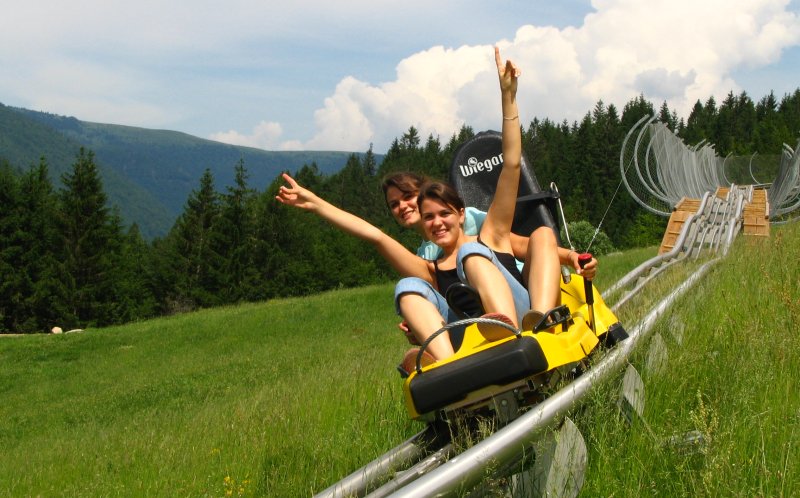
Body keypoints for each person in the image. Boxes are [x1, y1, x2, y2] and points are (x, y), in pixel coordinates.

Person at [276, 47, 534, 364]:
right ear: (421, 225)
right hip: (470, 335)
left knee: (470, 254)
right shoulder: (430, 268)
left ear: (461, 214)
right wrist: (317, 204)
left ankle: (504, 331)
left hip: (519, 321)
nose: (437, 222)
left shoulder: (491, 235)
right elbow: (375, 236)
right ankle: (448, 364)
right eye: (428, 218)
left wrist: (508, 97)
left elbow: (510, 164)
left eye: (444, 214)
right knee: (407, 286)